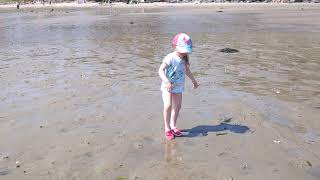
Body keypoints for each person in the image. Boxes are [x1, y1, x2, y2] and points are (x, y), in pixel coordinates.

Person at [158, 33, 199, 140]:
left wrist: (194, 80)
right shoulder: (170, 57)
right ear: (174, 46)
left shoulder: (184, 59)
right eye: (182, 50)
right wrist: (166, 81)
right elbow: (160, 70)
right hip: (168, 87)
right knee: (168, 105)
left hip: (178, 87)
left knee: (178, 106)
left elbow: (187, 71)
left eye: (186, 51)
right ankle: (167, 128)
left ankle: (173, 125)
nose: (184, 53)